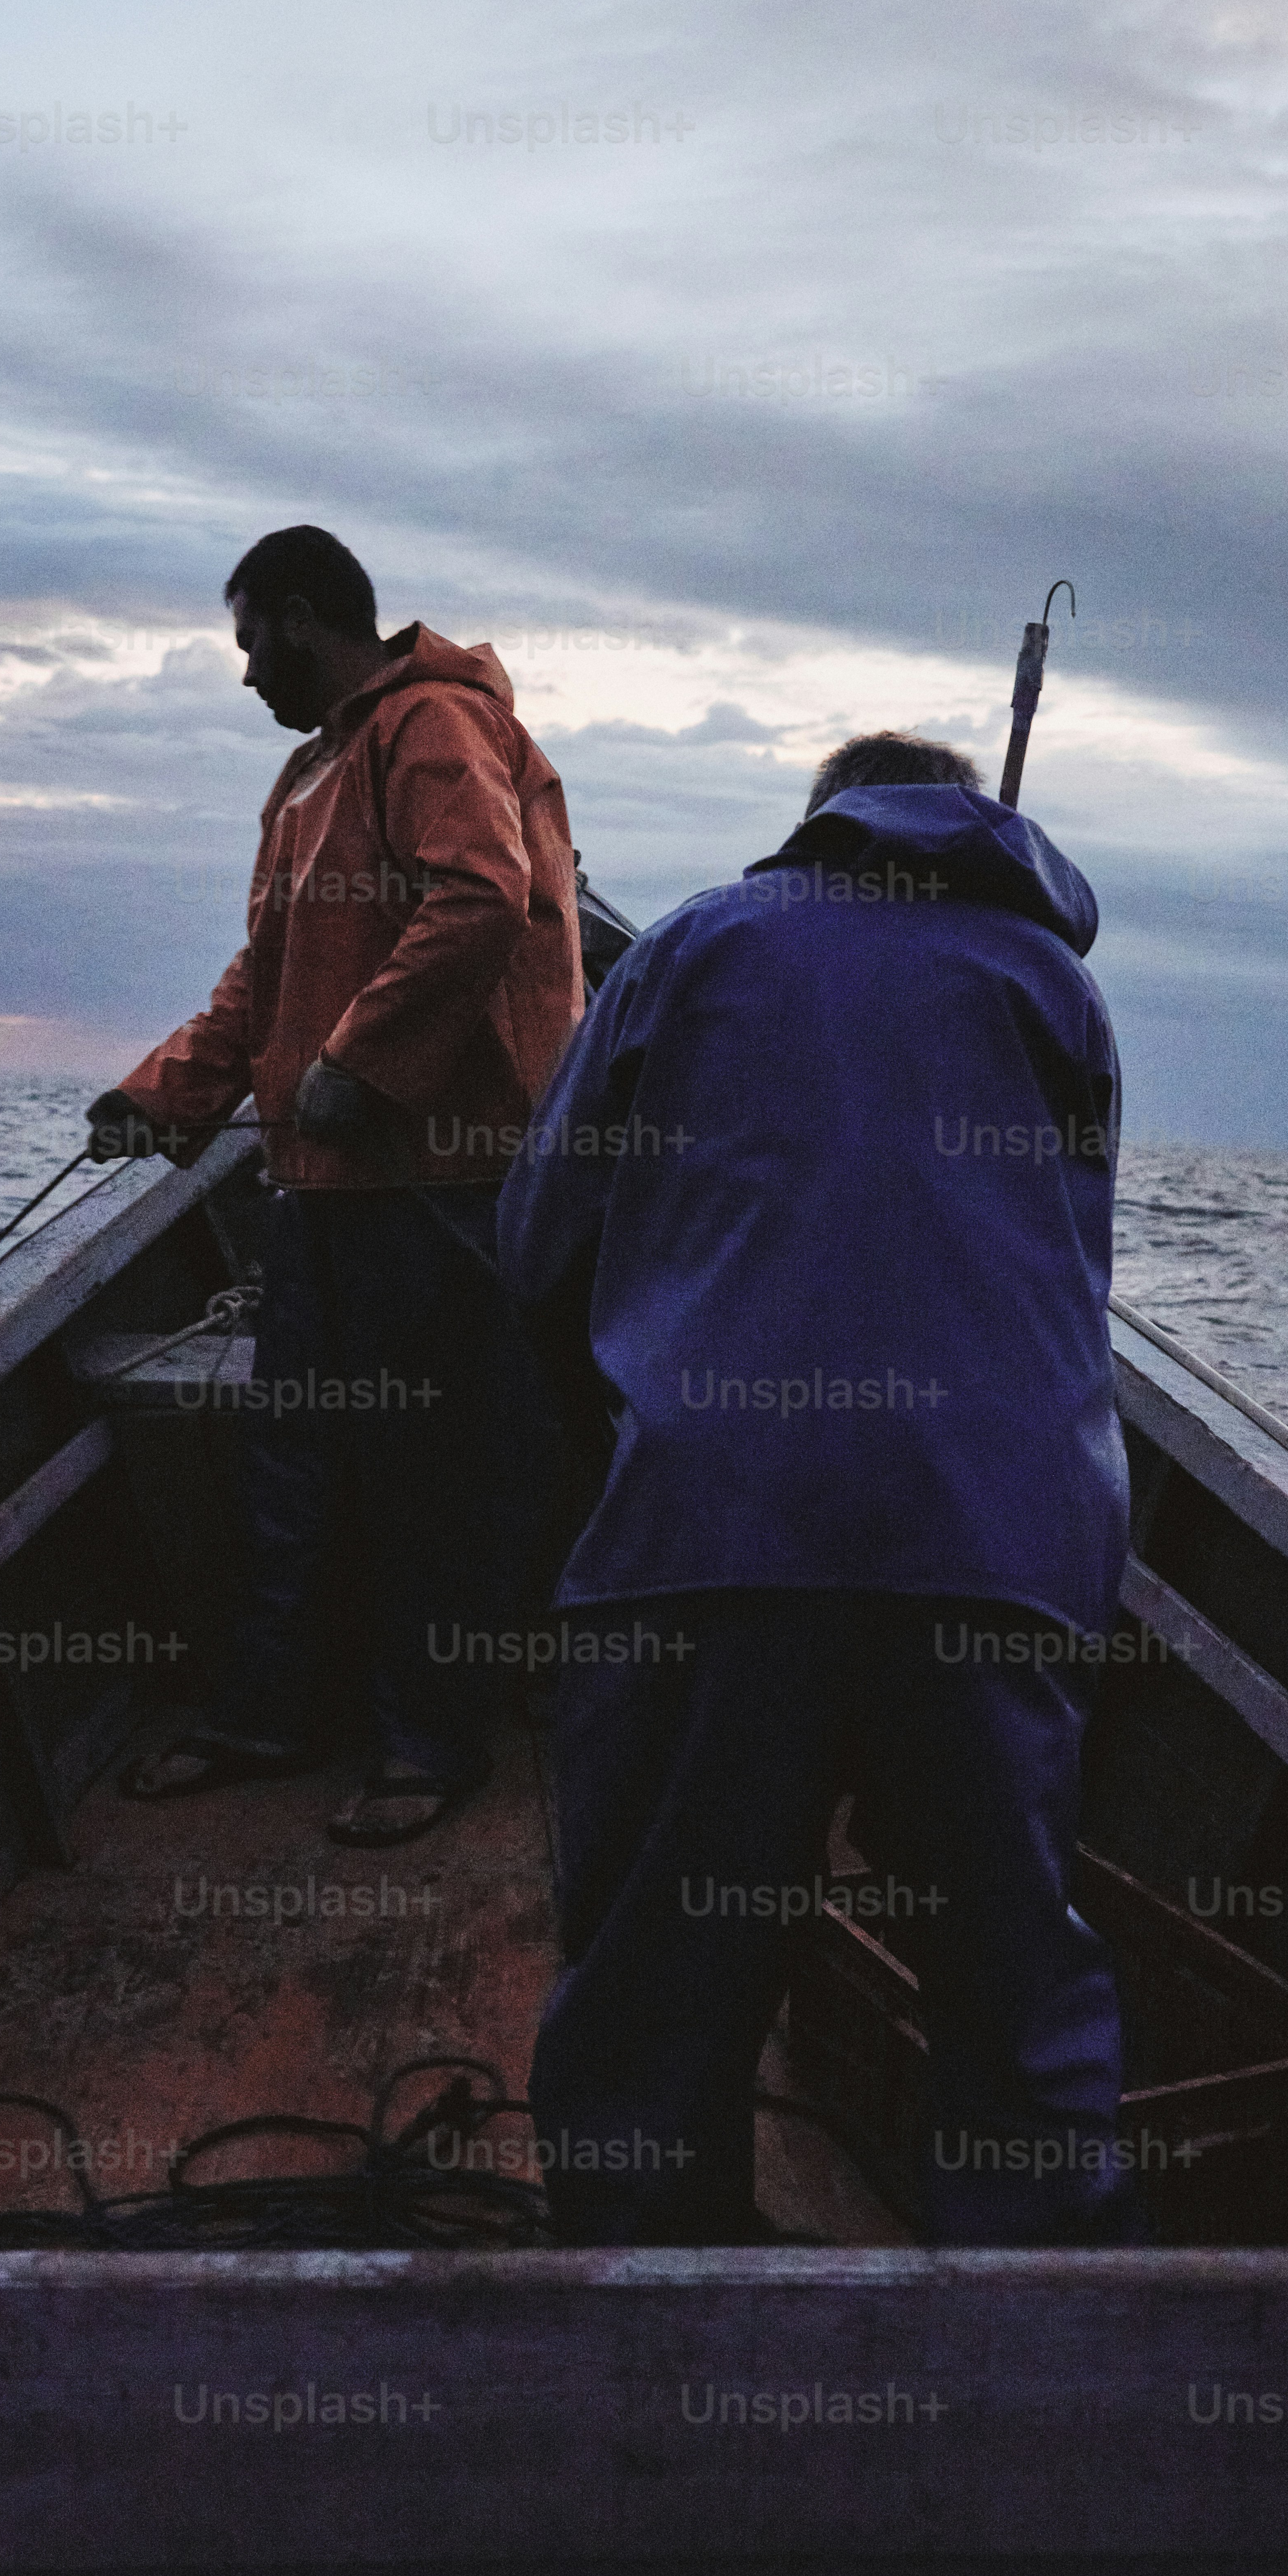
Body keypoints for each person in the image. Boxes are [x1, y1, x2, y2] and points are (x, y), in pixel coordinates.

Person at [496, 730, 1134, 2243]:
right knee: (1015, 2004)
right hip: (1005, 1545)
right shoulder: (1059, 990)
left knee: (657, 1993)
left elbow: (536, 1238)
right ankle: (1041, 2358)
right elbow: (1069, 1283)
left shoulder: (695, 947)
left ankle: (653, 2353)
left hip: (717, 1527)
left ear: (819, 825)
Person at [87, 525, 582, 1843]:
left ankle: (431, 1747)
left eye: (252, 645)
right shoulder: (306, 779)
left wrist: (362, 1064)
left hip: (435, 1190)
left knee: (432, 1476)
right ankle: (268, 1716)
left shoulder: (432, 728)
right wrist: (165, 1096)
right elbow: (264, 978)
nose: (247, 677)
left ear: (304, 621)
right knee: (295, 1463)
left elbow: (484, 895)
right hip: (318, 1194)